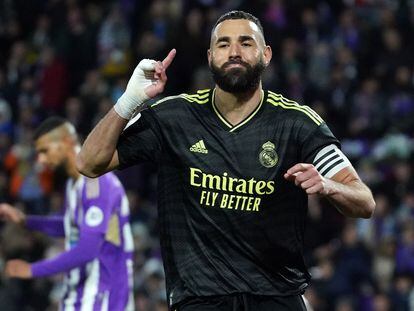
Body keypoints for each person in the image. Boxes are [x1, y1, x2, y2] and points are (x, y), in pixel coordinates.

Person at [77, 10, 375, 311]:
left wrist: (327, 185)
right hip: (200, 300)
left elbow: (364, 201)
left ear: (266, 54)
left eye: (246, 43)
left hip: (276, 298)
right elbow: (89, 163)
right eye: (223, 44)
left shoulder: (297, 124)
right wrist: (128, 102)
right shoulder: (174, 117)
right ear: (209, 56)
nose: (234, 52)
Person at [0, 117, 134, 311]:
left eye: (45, 151)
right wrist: (25, 220)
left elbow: (88, 250)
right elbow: (72, 226)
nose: (41, 160)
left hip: (102, 296)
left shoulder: (97, 182)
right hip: (82, 293)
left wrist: (32, 269)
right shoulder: (74, 184)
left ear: (67, 142)